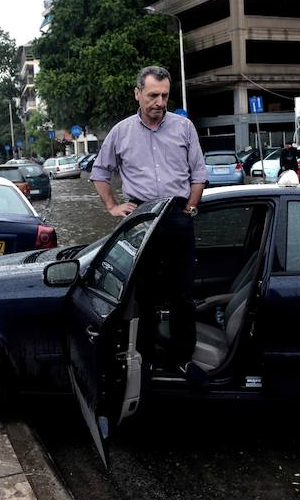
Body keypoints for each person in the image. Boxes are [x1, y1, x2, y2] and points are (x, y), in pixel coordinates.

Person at [90, 65, 208, 383]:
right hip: (141, 219)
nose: (159, 102)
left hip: (178, 215)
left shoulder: (184, 128)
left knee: (182, 295)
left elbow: (199, 175)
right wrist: (113, 206)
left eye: (165, 95)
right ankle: (145, 360)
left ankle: (182, 359)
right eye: (153, 95)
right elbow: (100, 173)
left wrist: (191, 209)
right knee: (143, 295)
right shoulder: (121, 132)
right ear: (138, 93)